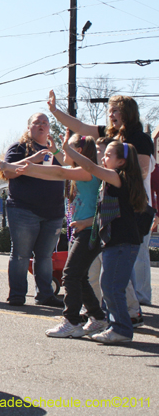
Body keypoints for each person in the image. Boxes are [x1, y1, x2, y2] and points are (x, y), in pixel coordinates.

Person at [0, 133, 108, 338]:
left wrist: (22, 167)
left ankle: (72, 321)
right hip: (84, 230)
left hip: (89, 232)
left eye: (67, 149)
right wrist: (48, 155)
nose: (62, 153)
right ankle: (97, 317)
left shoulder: (87, 172)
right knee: (79, 276)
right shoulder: (82, 169)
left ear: (78, 152)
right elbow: (56, 170)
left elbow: (57, 171)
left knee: (70, 275)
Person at [48, 91, 154, 306]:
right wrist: (55, 111)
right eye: (110, 111)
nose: (111, 115)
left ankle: (138, 304)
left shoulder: (140, 139)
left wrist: (108, 175)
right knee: (110, 263)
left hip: (134, 206)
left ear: (128, 113)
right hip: (110, 205)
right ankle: (114, 310)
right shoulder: (109, 134)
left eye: (115, 110)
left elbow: (140, 171)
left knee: (133, 258)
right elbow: (80, 127)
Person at [62, 138, 148, 344]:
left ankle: (121, 329)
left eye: (109, 155)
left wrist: (66, 149)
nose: (103, 157)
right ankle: (116, 326)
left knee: (112, 287)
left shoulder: (118, 177)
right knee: (109, 286)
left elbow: (90, 167)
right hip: (115, 242)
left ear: (121, 162)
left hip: (122, 242)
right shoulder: (116, 178)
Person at [0, 112, 64, 307]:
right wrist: (33, 159)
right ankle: (17, 295)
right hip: (24, 210)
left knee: (45, 257)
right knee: (21, 255)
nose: (42, 125)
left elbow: (68, 169)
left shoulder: (55, 151)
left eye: (45, 122)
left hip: (53, 212)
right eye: (37, 122)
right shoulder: (19, 148)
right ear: (29, 127)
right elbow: (7, 171)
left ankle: (45, 295)